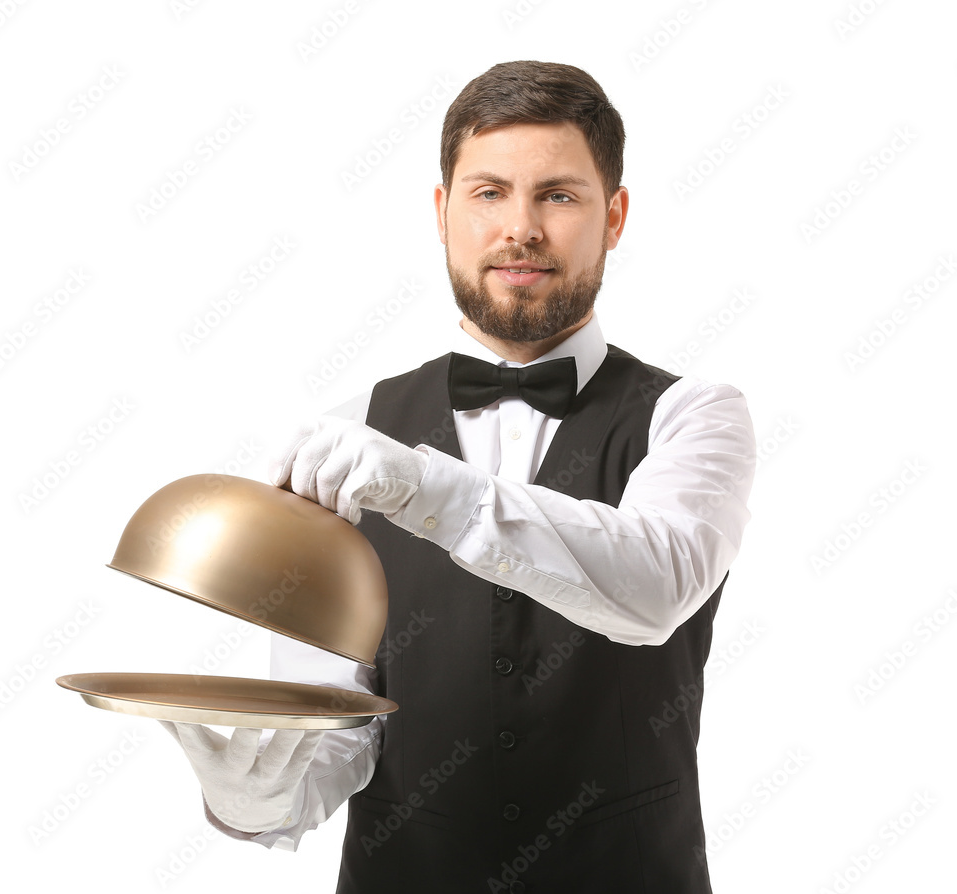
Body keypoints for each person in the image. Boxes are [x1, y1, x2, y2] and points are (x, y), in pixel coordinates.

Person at [161, 60, 756, 893]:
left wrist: (420, 486)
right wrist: (261, 799)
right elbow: (335, 724)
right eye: (487, 193)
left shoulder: (693, 415)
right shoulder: (351, 432)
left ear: (614, 216)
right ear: (442, 213)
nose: (520, 228)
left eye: (558, 195)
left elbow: (655, 585)